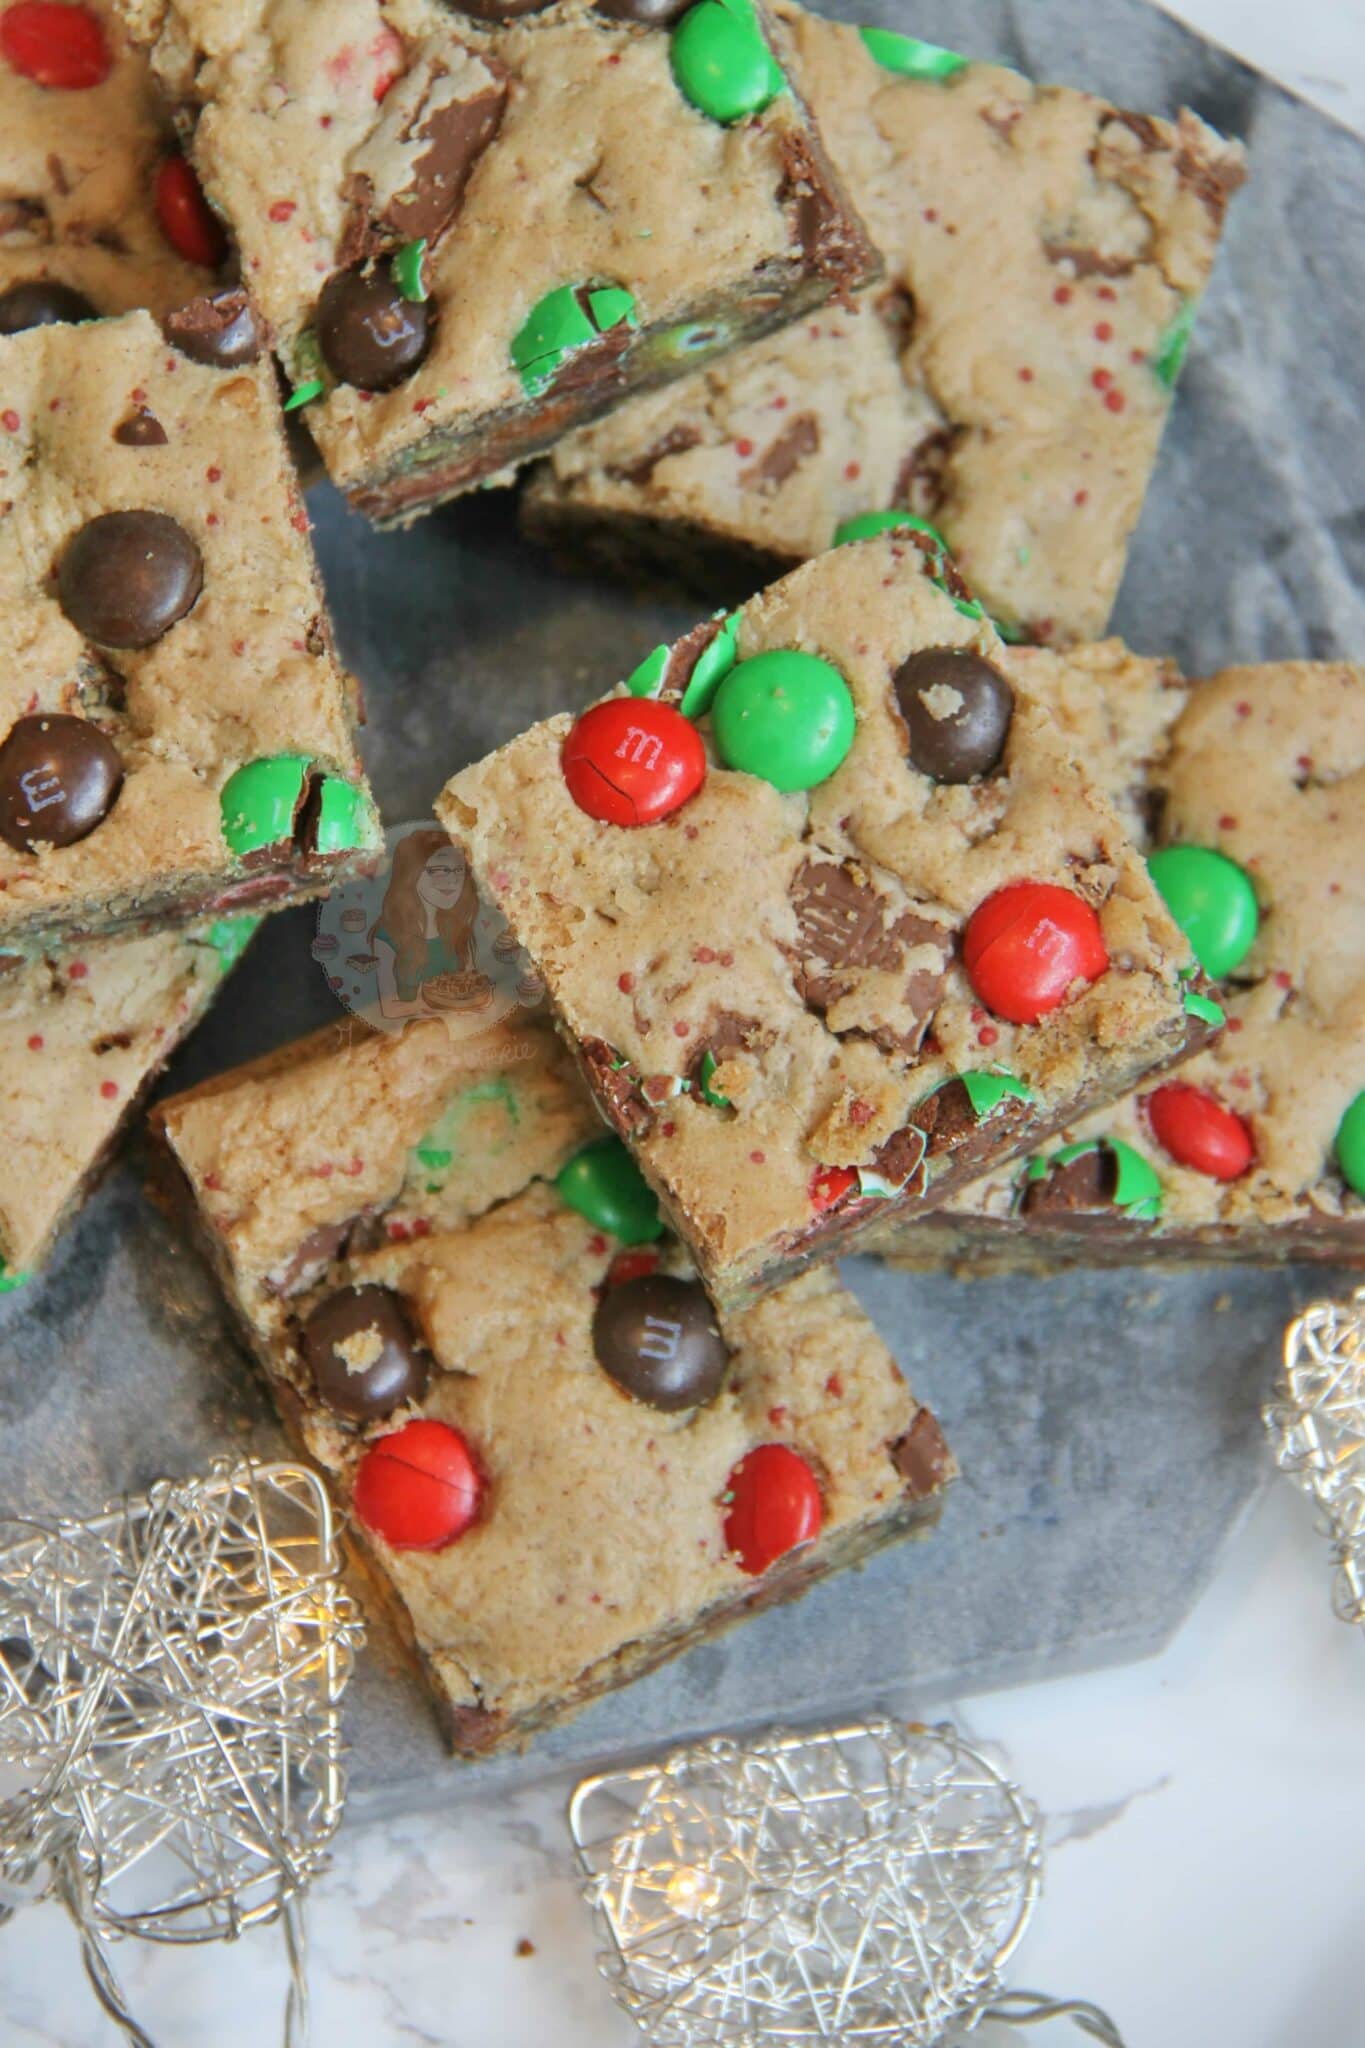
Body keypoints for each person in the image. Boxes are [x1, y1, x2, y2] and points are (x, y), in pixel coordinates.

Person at [370, 829, 481, 1020]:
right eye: (440, 871)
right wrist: (429, 1002)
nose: (453, 881)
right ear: (412, 873)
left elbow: (472, 988)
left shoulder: (459, 929)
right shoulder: (387, 935)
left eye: (458, 871)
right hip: (411, 1035)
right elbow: (388, 1008)